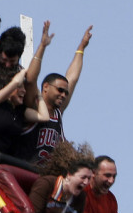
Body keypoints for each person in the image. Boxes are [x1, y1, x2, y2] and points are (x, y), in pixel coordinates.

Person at [30, 25, 92, 163]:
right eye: (60, 90)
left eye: (66, 92)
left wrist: (81, 48)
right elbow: (31, 79)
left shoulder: (58, 112)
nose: (63, 95)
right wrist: (42, 47)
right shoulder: (32, 104)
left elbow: (72, 78)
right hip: (26, 168)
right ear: (45, 87)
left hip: (47, 173)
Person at [29, 142, 96, 213]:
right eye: (83, 177)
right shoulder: (46, 184)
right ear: (69, 175)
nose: (86, 182)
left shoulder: (81, 197)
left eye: (89, 179)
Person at [0, 68, 51, 167]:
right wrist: (23, 72)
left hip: (4, 160)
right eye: (20, 87)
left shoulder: (20, 111)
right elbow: (16, 81)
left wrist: (38, 95)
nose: (24, 91)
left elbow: (44, 116)